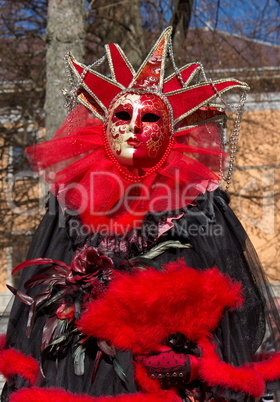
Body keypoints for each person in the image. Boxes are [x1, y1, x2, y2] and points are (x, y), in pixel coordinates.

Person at [1, 27, 280, 402]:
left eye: (149, 117)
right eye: (121, 114)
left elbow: (235, 311)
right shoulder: (70, 204)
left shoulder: (199, 204)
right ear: (103, 126)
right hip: (76, 378)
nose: (133, 126)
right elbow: (37, 306)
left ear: (171, 131)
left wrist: (196, 363)